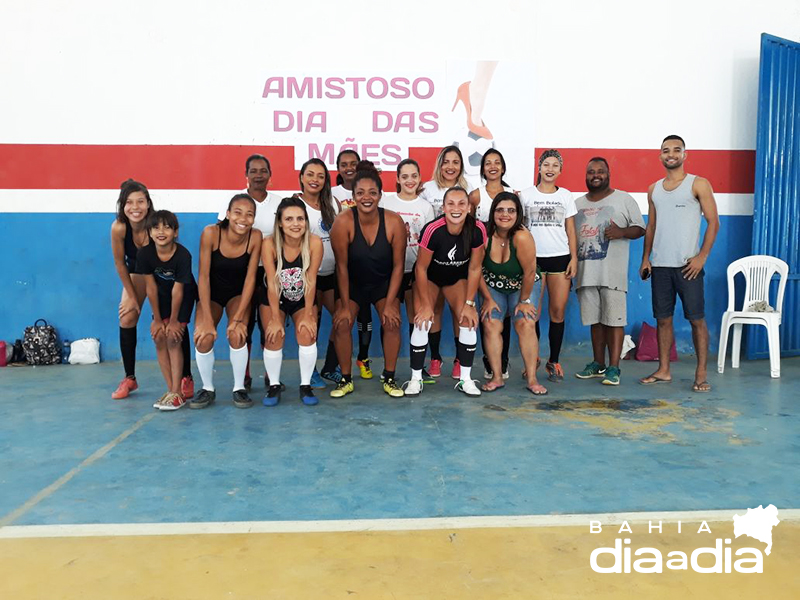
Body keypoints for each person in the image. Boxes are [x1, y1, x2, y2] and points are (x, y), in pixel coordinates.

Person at [639, 135, 719, 392]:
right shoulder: (654, 189)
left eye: (676, 150)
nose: (670, 154)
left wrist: (701, 257)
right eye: (665, 150)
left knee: (696, 320)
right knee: (663, 319)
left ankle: (701, 373)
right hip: (661, 266)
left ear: (685, 154)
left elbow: (714, 222)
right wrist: (645, 259)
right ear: (660, 155)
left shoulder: (699, 184)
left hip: (688, 266)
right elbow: (651, 226)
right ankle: (664, 370)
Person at [329, 168, 407, 398]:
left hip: (383, 283)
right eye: (361, 192)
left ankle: (390, 378)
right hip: (352, 283)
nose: (366, 197)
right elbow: (341, 267)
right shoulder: (343, 222)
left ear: (380, 195)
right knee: (342, 323)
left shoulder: (394, 221)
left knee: (392, 322)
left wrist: (391, 302)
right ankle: (345, 379)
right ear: (353, 196)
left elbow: (398, 267)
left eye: (372, 192)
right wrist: (344, 305)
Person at [217, 154, 291, 391]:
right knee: (244, 325)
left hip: (271, 272)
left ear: (270, 175)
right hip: (241, 273)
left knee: (269, 325)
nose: (259, 175)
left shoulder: (279, 203)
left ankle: (272, 377)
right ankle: (245, 376)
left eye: (263, 171)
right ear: (246, 175)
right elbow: (222, 235)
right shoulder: (234, 202)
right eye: (254, 171)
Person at [406, 186, 487, 397]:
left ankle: (466, 379)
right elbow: (421, 268)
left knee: (468, 321)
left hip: (456, 279)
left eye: (462, 203)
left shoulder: (477, 229)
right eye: (451, 204)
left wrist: (470, 304)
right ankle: (415, 379)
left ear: (469, 207)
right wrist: (424, 304)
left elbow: (475, 268)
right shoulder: (433, 229)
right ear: (443, 207)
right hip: (430, 278)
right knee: (422, 321)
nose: (456, 208)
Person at [573, 158, 645, 386]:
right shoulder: (576, 204)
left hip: (612, 274)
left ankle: (614, 368)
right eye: (591, 172)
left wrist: (622, 231)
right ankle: (598, 363)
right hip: (586, 273)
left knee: (614, 321)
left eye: (600, 171)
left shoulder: (624, 199)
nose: (596, 175)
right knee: (595, 321)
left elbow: (640, 228)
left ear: (608, 174)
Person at [192, 194, 262, 409]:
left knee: (237, 333)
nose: (243, 219)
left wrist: (239, 317)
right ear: (228, 214)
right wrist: (205, 318)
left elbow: (251, 278)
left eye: (249, 214)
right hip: (210, 293)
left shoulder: (255, 237)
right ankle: (207, 389)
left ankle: (239, 388)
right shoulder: (211, 233)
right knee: (203, 337)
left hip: (238, 294)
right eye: (238, 213)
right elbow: (203, 276)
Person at [478, 192, 545, 395]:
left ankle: (532, 379)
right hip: (492, 284)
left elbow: (529, 272)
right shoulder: (483, 235)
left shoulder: (522, 236)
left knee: (525, 322)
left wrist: (524, 300)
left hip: (522, 284)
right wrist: (487, 299)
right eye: (500, 210)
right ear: (493, 212)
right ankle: (497, 377)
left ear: (518, 214)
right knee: (490, 323)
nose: (505, 214)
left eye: (511, 210)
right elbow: (475, 270)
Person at [259, 198, 323, 406]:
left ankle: (305, 386)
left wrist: (308, 314)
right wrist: (276, 318)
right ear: (279, 222)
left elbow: (311, 279)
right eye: (289, 219)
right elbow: (272, 283)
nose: (295, 224)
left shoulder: (314, 243)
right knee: (273, 335)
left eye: (300, 219)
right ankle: (274, 386)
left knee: (307, 332)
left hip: (302, 296)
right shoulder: (269, 244)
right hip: (274, 296)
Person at [520, 149, 577, 383]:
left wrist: (574, 258)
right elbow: (520, 228)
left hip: (560, 258)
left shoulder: (565, 196)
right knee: (532, 314)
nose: (550, 169)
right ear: (539, 168)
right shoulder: (525, 195)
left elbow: (570, 229)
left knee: (557, 312)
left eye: (555, 165)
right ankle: (533, 359)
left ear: (560, 171)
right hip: (533, 260)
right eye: (546, 165)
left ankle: (553, 361)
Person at [419, 145, 474, 378]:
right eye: (446, 161)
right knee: (435, 309)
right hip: (431, 258)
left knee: (459, 311)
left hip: (458, 259)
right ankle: (435, 358)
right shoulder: (426, 189)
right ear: (439, 164)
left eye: (455, 162)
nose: (450, 166)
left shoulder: (468, 188)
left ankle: (460, 361)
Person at [380, 159, 436, 384]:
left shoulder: (425, 207)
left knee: (416, 319)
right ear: (397, 179)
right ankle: (388, 369)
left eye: (414, 176)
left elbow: (430, 243)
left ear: (419, 178)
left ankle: (418, 367)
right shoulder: (387, 203)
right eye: (404, 176)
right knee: (390, 321)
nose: (409, 181)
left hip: (415, 271)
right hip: (390, 270)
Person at [136, 210, 198, 410]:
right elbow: (151, 287)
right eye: (155, 227)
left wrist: (173, 321)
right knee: (159, 337)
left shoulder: (183, 255)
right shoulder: (145, 254)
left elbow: (178, 290)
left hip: (183, 296)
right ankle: (171, 390)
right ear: (150, 232)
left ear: (176, 232)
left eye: (167, 227)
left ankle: (177, 393)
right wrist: (156, 319)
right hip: (161, 297)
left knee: (173, 337)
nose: (161, 231)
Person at [295, 159, 343, 386]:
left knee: (342, 319)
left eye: (320, 176)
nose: (315, 180)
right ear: (302, 177)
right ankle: (310, 371)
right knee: (309, 322)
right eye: (310, 174)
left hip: (332, 274)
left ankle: (330, 367)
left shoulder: (333, 203)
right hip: (307, 276)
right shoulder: (294, 205)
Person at [110, 180, 158, 399]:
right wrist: (131, 296)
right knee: (127, 316)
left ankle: (185, 376)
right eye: (129, 202)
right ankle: (130, 378)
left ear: (148, 204)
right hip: (136, 273)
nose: (135, 207)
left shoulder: (156, 224)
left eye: (140, 201)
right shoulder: (119, 227)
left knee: (167, 322)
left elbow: (166, 262)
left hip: (160, 272)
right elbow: (120, 264)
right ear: (122, 205)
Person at [469, 148, 513, 381]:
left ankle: (503, 360)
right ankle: (489, 361)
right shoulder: (476, 195)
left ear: (503, 167)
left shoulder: (511, 194)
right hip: (483, 261)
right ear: (483, 169)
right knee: (487, 311)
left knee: (504, 314)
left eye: (497, 162)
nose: (492, 166)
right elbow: (468, 226)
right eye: (488, 163)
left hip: (507, 262)